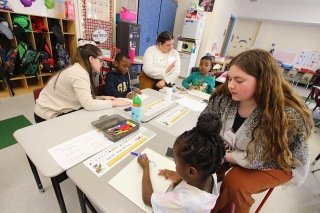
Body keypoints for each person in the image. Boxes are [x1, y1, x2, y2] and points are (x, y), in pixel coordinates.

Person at [200, 49, 313, 213]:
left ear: (263, 81)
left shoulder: (287, 115)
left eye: (239, 80)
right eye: (230, 78)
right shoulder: (225, 96)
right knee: (201, 160)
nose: (231, 85)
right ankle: (198, 201)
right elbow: (206, 122)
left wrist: (224, 156)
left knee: (236, 184)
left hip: (279, 160)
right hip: (238, 148)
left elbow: (263, 156)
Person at [137, 113, 225, 212]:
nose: (175, 164)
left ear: (192, 172)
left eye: (175, 162)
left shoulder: (184, 201)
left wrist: (145, 168)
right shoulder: (210, 172)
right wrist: (180, 176)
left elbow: (148, 199)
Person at [34, 44, 131, 123]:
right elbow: (89, 104)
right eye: (100, 60)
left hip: (58, 109)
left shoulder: (80, 69)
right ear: (91, 59)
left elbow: (82, 97)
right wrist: (114, 103)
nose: (102, 64)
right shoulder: (79, 73)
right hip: (47, 115)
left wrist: (101, 98)